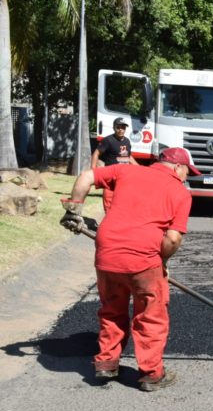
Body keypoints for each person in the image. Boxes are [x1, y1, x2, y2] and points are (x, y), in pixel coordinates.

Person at [60, 147, 200, 391]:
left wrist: (74, 209)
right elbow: (173, 239)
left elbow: (86, 176)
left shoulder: (126, 171)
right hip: (143, 258)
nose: (187, 177)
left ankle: (106, 363)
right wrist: (162, 262)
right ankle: (151, 374)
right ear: (178, 167)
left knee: (112, 308)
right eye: (188, 171)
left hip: (108, 252)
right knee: (150, 315)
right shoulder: (180, 192)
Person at [91, 117, 140, 211]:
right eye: (118, 127)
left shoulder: (127, 141)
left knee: (123, 201)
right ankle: (108, 221)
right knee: (109, 201)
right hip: (111, 176)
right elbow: (96, 153)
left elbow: (128, 157)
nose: (121, 130)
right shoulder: (108, 140)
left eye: (123, 127)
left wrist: (139, 168)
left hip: (124, 176)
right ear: (114, 128)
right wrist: (93, 170)